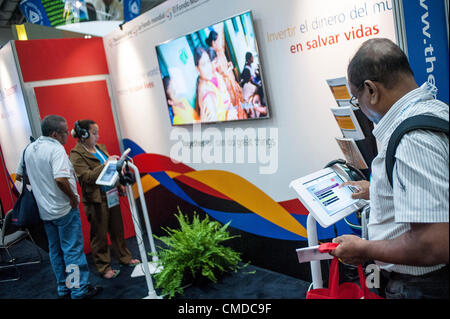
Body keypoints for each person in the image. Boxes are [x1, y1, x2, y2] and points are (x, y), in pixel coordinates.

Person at [330, 38, 449, 299]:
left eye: (355, 98)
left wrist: (366, 249)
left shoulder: (412, 139)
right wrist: (377, 191)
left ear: (371, 90)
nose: (358, 106)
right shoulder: (438, 112)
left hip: (422, 287)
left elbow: (434, 243)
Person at [16, 115, 102, 299]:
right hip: (64, 209)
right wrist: (72, 198)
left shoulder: (29, 149)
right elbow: (61, 179)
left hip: (45, 212)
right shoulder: (56, 150)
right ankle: (78, 290)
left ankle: (63, 288)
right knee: (72, 251)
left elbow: (21, 176)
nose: (67, 136)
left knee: (55, 252)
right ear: (55, 134)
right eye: (64, 132)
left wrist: (42, 187)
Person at [69, 120, 140, 279]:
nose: (97, 136)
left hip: (111, 193)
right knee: (99, 234)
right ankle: (104, 267)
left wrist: (119, 184)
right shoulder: (76, 154)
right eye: (94, 133)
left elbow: (111, 170)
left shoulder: (100, 148)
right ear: (84, 135)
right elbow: (86, 177)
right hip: (95, 198)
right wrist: (106, 163)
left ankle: (125, 258)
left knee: (117, 229)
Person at [194, 46, 238, 122]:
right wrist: (229, 117)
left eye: (208, 62)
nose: (209, 67)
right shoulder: (207, 95)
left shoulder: (206, 83)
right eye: (204, 64)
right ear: (197, 69)